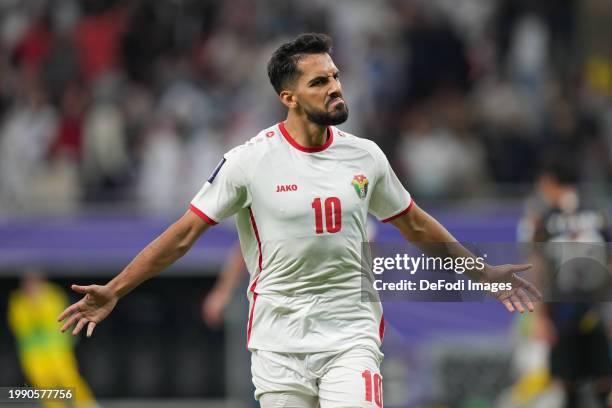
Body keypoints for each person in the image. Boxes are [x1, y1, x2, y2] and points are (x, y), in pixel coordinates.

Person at [58, 33, 541, 408]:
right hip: (277, 343)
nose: (334, 88)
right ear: (288, 97)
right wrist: (116, 289)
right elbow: (184, 234)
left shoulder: (366, 157)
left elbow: (415, 224)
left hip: (349, 334)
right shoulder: (249, 162)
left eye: (335, 77)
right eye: (319, 82)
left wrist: (482, 273)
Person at [518, 153, 611, 408]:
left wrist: (539, 317)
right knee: (604, 379)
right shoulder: (598, 214)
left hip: (563, 311)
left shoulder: (543, 219)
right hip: (598, 309)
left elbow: (537, 269)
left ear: (549, 181)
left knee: (567, 383)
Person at [8, 271, 98, 408]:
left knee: (68, 380)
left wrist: (37, 305)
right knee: (45, 386)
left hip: (57, 350)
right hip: (33, 353)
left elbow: (55, 317)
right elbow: (19, 324)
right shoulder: (18, 301)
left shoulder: (52, 295)